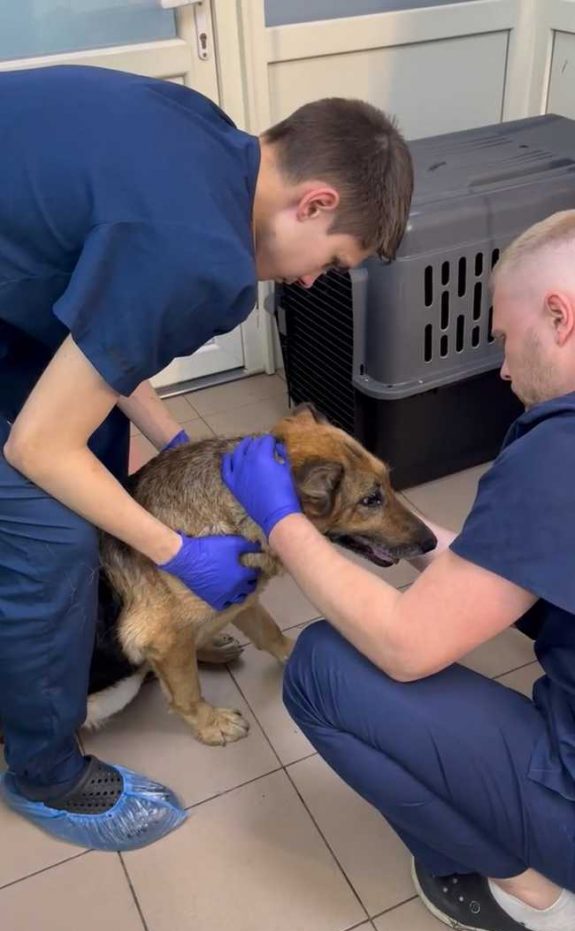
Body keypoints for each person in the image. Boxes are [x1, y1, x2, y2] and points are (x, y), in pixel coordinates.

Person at [0, 65, 413, 851]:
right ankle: (43, 773)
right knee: (49, 532)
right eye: (330, 259)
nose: (309, 280)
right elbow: (38, 446)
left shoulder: (207, 136)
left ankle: (85, 637)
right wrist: (176, 552)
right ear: (315, 202)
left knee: (97, 453)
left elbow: (108, 325)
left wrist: (174, 443)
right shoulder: (201, 252)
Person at [222, 209, 575, 931]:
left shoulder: (559, 452)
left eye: (506, 339)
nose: (503, 369)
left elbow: (406, 648)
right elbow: (523, 569)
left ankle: (537, 899)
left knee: (321, 667)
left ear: (559, 316)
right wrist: (408, 542)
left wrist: (281, 522)